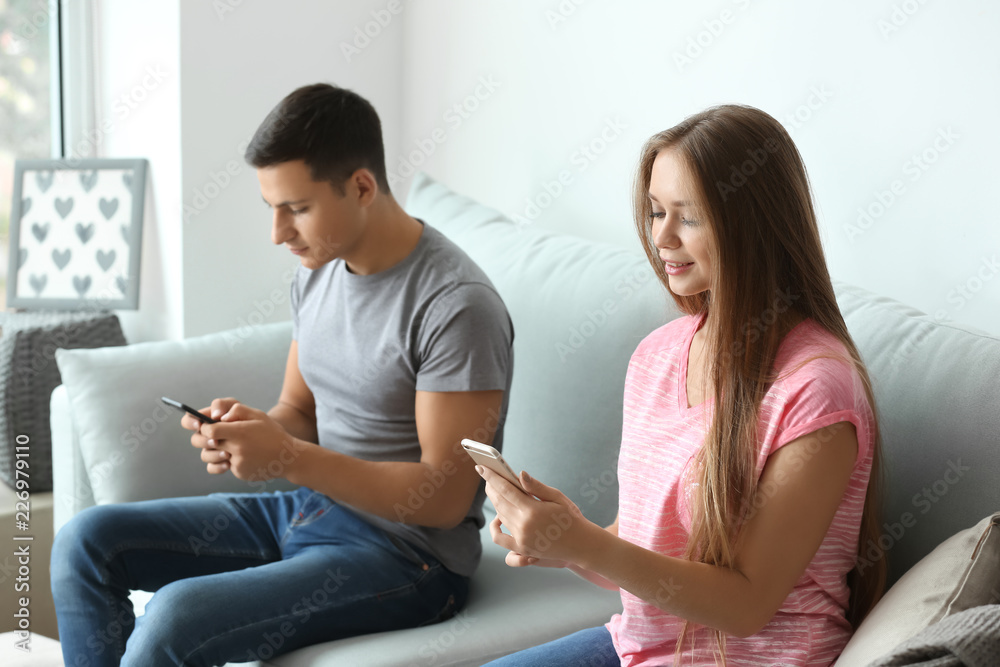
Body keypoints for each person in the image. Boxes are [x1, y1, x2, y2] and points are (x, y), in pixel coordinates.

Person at [50, 83, 514, 666]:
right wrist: (255, 432)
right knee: (83, 545)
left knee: (173, 619)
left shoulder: (456, 305)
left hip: (407, 558)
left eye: (296, 208)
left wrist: (288, 459)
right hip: (310, 509)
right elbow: (300, 411)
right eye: (272, 208)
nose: (278, 233)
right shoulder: (318, 271)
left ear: (362, 187)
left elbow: (444, 499)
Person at [477, 104, 886, 667]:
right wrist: (566, 541)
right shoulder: (657, 355)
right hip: (638, 651)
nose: (661, 236)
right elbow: (642, 552)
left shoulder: (817, 389)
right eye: (654, 211)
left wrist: (585, 544)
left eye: (687, 217)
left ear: (754, 224)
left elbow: (747, 604)